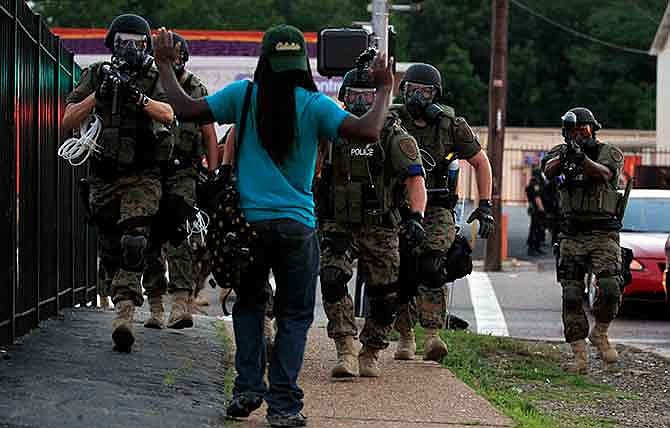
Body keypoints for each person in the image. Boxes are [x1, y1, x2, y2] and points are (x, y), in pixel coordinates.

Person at [153, 24, 397, 427]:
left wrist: (164, 65)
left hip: (247, 228)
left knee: (249, 307)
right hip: (298, 229)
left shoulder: (243, 96)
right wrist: (385, 88)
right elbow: (368, 131)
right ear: (302, 62)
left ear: (264, 60)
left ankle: (247, 389)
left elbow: (187, 110)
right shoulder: (315, 105)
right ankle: (283, 405)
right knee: (295, 316)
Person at [62, 14, 175, 352]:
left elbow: (169, 113)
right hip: (105, 177)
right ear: (113, 44)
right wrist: (98, 96)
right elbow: (67, 119)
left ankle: (125, 315)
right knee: (111, 252)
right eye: (123, 42)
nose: (130, 49)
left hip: (143, 175)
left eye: (137, 43)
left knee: (134, 242)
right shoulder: (97, 74)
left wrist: (137, 98)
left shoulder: (154, 76)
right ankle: (120, 301)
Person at [316, 68, 427, 378]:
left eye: (368, 96)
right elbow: (313, 168)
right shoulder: (332, 130)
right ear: (344, 97)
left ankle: (372, 350)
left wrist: (416, 217)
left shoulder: (393, 134)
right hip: (340, 223)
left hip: (381, 226)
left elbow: (415, 180)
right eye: (354, 96)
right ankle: (345, 347)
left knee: (385, 294)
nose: (361, 102)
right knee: (332, 277)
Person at [390, 63, 494, 362]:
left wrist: (485, 206)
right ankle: (405, 335)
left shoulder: (451, 125)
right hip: (398, 205)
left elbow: (481, 162)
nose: (417, 98)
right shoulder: (392, 120)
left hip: (437, 206)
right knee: (400, 268)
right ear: (403, 91)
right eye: (412, 90)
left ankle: (433, 335)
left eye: (425, 92)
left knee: (433, 263)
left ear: (436, 94)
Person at [141, 32, 218, 329]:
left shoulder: (194, 88)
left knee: (179, 233)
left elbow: (209, 133)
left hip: (183, 171)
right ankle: (156, 303)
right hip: (149, 171)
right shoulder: (147, 84)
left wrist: (213, 174)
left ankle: (181, 302)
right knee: (147, 236)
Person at [543, 107, 624, 373]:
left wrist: (582, 159)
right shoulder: (560, 151)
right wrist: (568, 156)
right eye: (573, 132)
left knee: (610, 286)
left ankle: (600, 332)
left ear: (593, 130)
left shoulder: (609, 152)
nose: (578, 135)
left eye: (584, 131)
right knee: (571, 294)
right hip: (572, 234)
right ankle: (579, 355)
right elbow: (548, 171)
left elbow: (604, 174)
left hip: (603, 233)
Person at [526, 167, 547, 257]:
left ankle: (536, 247)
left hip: (535, 209)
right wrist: (541, 208)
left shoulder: (532, 181)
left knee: (536, 228)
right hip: (537, 210)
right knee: (536, 228)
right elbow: (537, 197)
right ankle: (532, 248)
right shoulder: (536, 183)